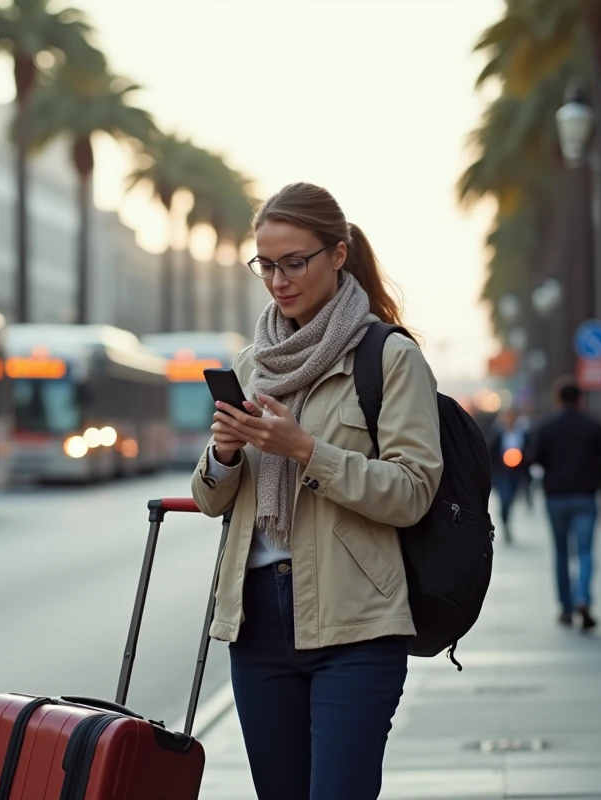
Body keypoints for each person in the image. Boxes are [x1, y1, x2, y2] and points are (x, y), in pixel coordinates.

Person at [191, 182, 443, 800]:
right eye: (266, 265)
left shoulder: (389, 357)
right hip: (256, 624)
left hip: (355, 622)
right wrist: (225, 451)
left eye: (294, 262)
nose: (278, 280)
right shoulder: (254, 363)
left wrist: (305, 449)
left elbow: (412, 491)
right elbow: (208, 499)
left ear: (337, 254)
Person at [528, 378, 601, 629]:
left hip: (555, 497)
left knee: (561, 552)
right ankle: (583, 597)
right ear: (580, 399)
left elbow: (536, 459)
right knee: (585, 551)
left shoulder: (546, 427)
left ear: (558, 399)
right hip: (585, 495)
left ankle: (565, 607)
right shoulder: (594, 426)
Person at [488, 409, 532, 542]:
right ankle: (505, 524)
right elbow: (490, 451)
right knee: (505, 498)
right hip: (502, 473)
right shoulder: (498, 434)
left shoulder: (523, 434)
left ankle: (508, 520)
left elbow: (530, 451)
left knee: (511, 498)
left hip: (517, 472)